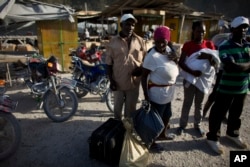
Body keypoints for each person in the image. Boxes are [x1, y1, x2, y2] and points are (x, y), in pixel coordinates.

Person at [206, 16, 250, 154]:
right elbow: (231, 67)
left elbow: (239, 66)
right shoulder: (225, 45)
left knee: (236, 113)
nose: (244, 30)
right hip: (226, 88)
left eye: (245, 27)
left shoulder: (248, 46)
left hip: (242, 88)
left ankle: (232, 133)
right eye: (240, 27)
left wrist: (242, 66)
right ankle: (213, 137)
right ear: (232, 29)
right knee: (218, 113)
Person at [141, 26, 179, 152]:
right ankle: (151, 142)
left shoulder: (169, 50)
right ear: (154, 40)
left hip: (168, 93)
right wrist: (146, 97)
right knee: (155, 121)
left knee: (167, 115)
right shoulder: (151, 56)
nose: (160, 44)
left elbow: (174, 63)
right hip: (157, 94)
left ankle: (162, 135)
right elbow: (144, 76)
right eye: (157, 41)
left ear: (168, 40)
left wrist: (176, 58)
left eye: (163, 40)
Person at [177, 20, 216, 137]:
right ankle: (182, 125)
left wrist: (209, 56)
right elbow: (181, 62)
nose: (201, 34)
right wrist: (192, 72)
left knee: (199, 104)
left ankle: (197, 125)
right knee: (187, 103)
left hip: (203, 80)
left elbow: (215, 63)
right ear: (193, 31)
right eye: (198, 31)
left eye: (203, 32)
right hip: (190, 79)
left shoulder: (209, 45)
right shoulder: (188, 45)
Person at [105, 13, 147, 120]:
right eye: (127, 24)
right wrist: (111, 81)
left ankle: (128, 132)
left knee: (131, 111)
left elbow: (146, 61)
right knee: (117, 110)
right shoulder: (113, 42)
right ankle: (117, 130)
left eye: (133, 25)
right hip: (118, 82)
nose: (130, 27)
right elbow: (109, 63)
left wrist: (141, 69)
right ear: (121, 25)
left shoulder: (140, 41)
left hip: (134, 83)